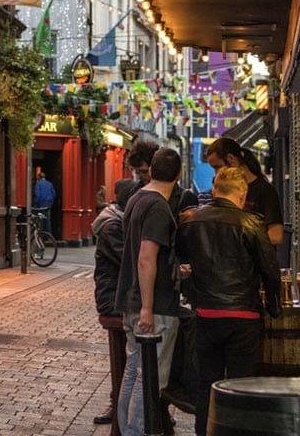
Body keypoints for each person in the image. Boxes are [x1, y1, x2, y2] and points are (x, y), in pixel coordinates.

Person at [176, 167, 282, 436]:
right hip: (243, 316)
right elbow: (270, 270)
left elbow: (179, 260)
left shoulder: (189, 221)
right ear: (243, 193)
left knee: (206, 385)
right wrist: (273, 306)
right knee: (241, 387)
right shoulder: (251, 223)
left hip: (206, 314)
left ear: (214, 190)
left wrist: (192, 291)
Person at [115, 147, 183, 436]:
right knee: (150, 378)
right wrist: (147, 307)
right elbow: (145, 257)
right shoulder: (158, 206)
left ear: (151, 170)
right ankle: (137, 432)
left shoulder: (135, 199)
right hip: (153, 307)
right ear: (178, 176)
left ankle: (128, 430)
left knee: (133, 371)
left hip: (131, 299)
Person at [91, 179, 141, 425]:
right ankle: (120, 404)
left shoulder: (119, 220)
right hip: (113, 300)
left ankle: (147, 404)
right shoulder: (112, 225)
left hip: (122, 296)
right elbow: (129, 260)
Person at [206, 137, 284, 245]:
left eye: (217, 167)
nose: (216, 173)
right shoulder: (221, 188)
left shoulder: (265, 191)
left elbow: (276, 235)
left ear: (231, 159)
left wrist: (241, 242)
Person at [33, 168, 56, 233]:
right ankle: (49, 234)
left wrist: (35, 204)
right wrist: (51, 202)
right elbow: (54, 194)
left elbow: (37, 195)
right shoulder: (50, 184)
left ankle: (40, 233)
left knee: (40, 219)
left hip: (41, 203)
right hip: (48, 203)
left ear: (39, 177)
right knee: (48, 219)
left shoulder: (38, 184)